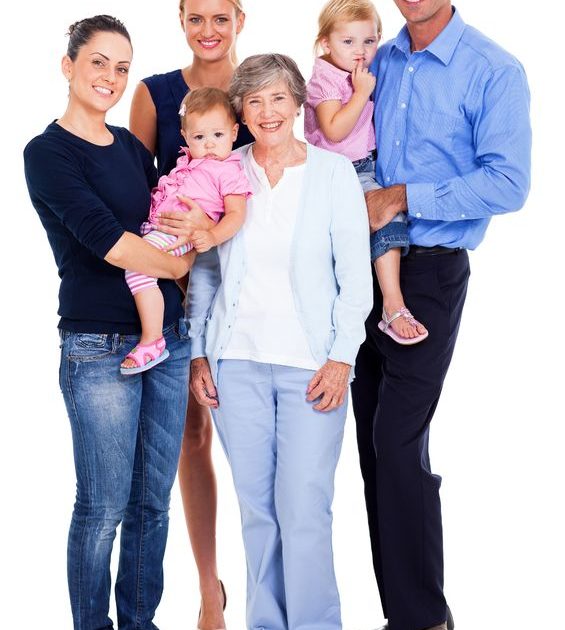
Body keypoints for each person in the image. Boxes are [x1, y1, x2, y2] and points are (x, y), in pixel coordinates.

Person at [22, 15, 209, 629]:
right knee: (102, 506)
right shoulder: (46, 153)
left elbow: (173, 216)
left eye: (122, 67)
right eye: (98, 61)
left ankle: (139, 622)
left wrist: (190, 247)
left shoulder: (131, 148)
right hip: (98, 346)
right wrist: (179, 263)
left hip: (169, 341)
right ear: (69, 65)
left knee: (152, 503)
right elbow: (112, 244)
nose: (110, 76)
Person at [351, 2, 531, 629]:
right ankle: (403, 613)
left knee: (397, 445)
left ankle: (423, 619)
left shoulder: (493, 69)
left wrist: (404, 195)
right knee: (374, 447)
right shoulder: (378, 57)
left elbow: (510, 182)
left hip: (427, 274)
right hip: (358, 269)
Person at [186, 53, 373, 630]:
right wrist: (197, 350)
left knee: (304, 511)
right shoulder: (224, 170)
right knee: (257, 513)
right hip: (235, 363)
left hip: (311, 367)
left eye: (279, 98)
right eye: (255, 100)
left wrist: (342, 356)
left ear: (297, 103)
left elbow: (355, 276)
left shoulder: (332, 174)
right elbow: (206, 270)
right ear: (241, 110)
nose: (267, 111)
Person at [129, 3, 252, 624]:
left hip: (250, 281)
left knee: (255, 431)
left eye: (220, 17)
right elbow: (138, 191)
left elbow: (283, 191)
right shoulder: (155, 95)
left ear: (240, 18)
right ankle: (210, 586)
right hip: (179, 280)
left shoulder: (263, 88)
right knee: (191, 434)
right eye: (195, 17)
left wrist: (217, 227)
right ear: (180, 19)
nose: (208, 30)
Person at [305, 0, 427, 346]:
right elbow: (334, 130)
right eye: (348, 42)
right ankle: (393, 303)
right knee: (388, 216)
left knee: (376, 221)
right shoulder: (324, 78)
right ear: (326, 43)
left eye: (369, 42)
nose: (360, 52)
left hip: (364, 165)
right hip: (338, 170)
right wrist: (360, 94)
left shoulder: (359, 71)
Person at [121, 88, 252, 376]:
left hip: (180, 234)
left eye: (217, 136)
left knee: (137, 270)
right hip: (159, 228)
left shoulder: (229, 171)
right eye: (199, 137)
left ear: (233, 132)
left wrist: (213, 236)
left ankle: (152, 339)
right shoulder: (187, 163)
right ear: (185, 136)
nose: (208, 145)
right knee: (136, 264)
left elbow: (236, 214)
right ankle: (156, 332)